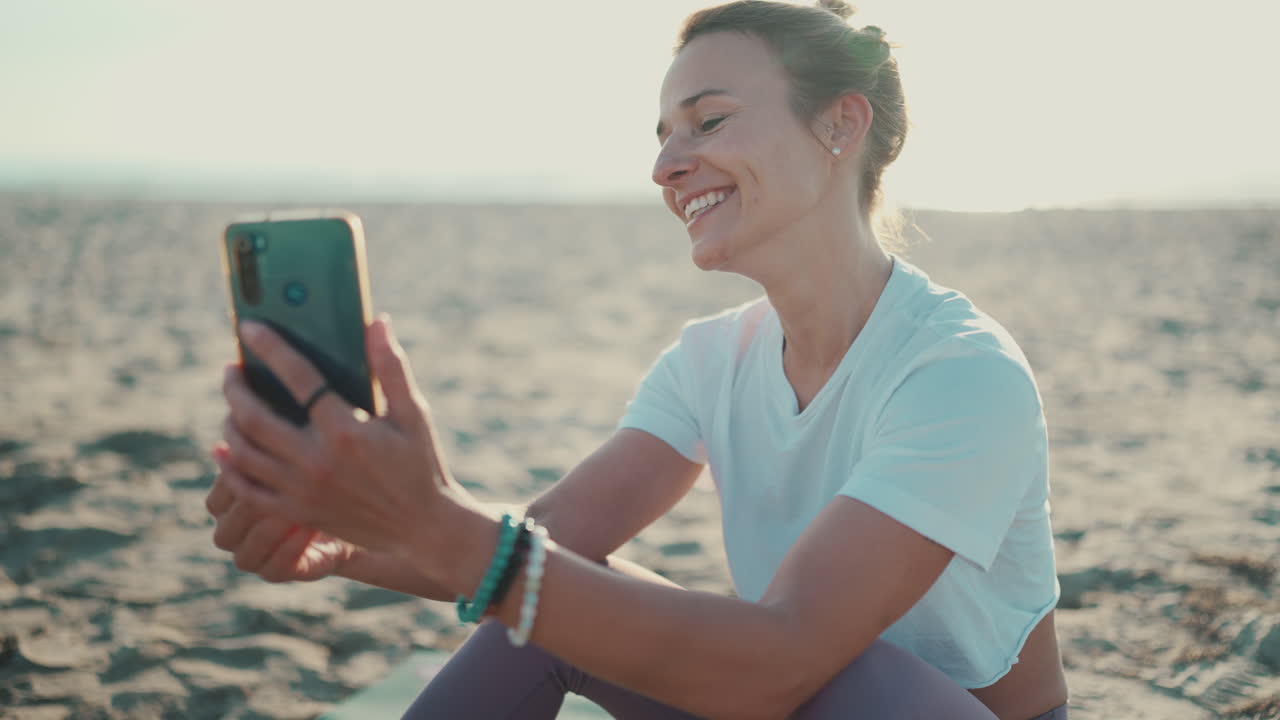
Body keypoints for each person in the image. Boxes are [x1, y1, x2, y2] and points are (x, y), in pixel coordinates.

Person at [204, 1, 1070, 717]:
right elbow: (548, 542)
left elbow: (786, 658)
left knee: (853, 669)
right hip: (784, 697)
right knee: (538, 602)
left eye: (710, 121)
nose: (665, 165)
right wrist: (339, 537)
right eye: (662, 135)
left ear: (841, 122)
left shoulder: (960, 372)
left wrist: (466, 542)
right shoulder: (710, 360)